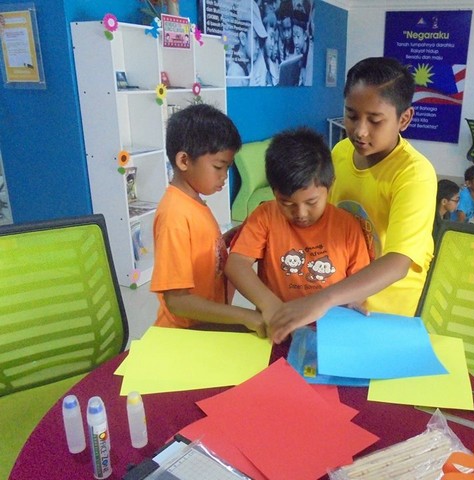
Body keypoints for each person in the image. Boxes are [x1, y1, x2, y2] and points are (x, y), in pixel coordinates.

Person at [267, 56, 437, 344]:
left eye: (375, 120)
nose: (360, 130)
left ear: (404, 119)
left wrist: (323, 299)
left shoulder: (413, 175)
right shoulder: (341, 152)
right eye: (352, 115)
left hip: (386, 314)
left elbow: (398, 262)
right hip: (339, 302)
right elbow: (322, 218)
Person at [225, 127, 371, 323]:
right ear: (274, 191)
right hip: (278, 325)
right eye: (287, 203)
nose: (301, 214)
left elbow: (361, 281)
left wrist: (352, 302)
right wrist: (272, 307)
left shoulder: (347, 226)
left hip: (330, 326)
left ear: (330, 185)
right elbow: (237, 264)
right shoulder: (265, 216)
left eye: (311, 202)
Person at [150, 104, 265, 336]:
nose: (224, 176)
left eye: (228, 168)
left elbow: (199, 249)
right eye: (219, 167)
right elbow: (177, 301)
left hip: (206, 327)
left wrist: (228, 239)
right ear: (184, 161)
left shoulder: (193, 201)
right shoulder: (174, 215)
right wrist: (245, 316)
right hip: (184, 334)